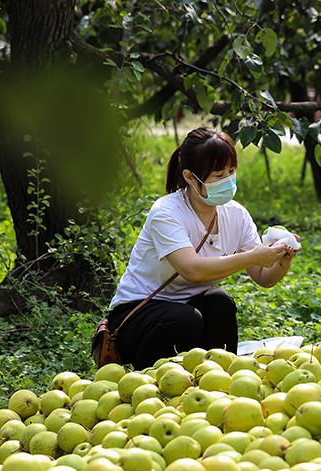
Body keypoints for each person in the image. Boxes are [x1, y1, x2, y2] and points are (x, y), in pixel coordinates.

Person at [106, 127, 299, 369]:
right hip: (137, 314)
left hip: (187, 311)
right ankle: (149, 381)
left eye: (231, 172)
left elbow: (263, 277)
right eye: (218, 176)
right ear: (189, 177)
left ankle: (217, 377)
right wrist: (252, 256)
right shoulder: (166, 213)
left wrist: (282, 261)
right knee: (186, 319)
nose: (228, 181)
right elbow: (193, 270)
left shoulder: (235, 214)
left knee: (221, 303)